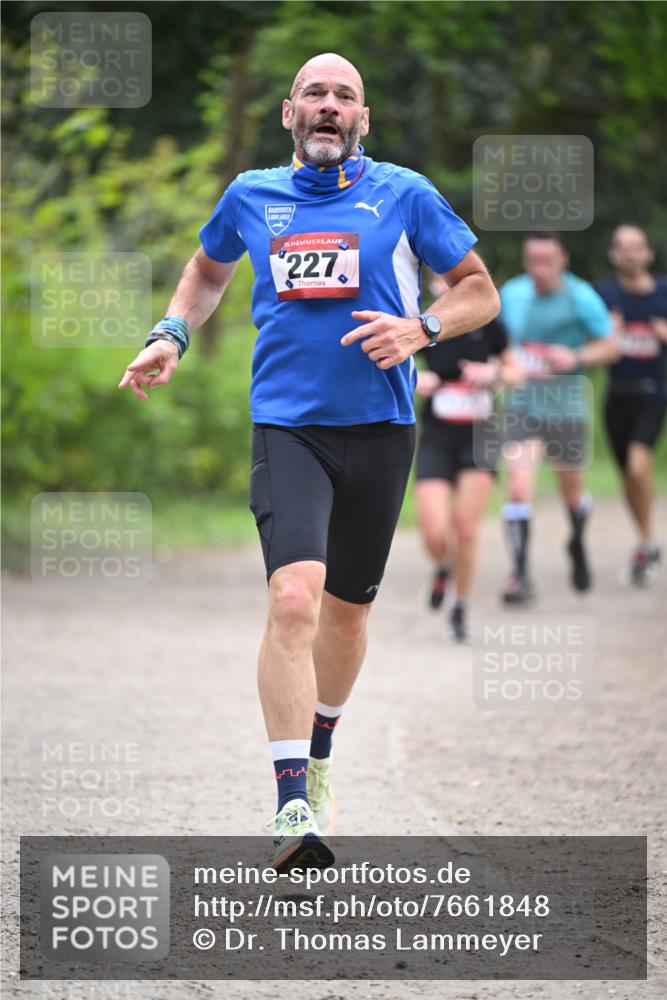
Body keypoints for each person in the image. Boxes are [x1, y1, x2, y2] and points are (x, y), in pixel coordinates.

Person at [118, 53, 499, 869]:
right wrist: (170, 333)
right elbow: (206, 268)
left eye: (345, 97)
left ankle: (320, 744)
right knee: (294, 597)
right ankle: (293, 799)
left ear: (362, 118)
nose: (329, 107)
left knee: (346, 614)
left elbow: (477, 288)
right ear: (289, 113)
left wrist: (421, 329)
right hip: (287, 427)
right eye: (315, 95)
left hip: (383, 427)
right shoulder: (251, 196)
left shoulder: (403, 194)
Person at [498, 234, 617, 603]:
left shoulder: (581, 296)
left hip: (566, 408)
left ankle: (577, 541)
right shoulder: (512, 294)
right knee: (518, 488)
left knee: (572, 494)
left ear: (562, 259)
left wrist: (576, 357)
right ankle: (520, 575)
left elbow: (612, 345)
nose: (540, 269)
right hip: (522, 405)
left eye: (547, 260)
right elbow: (493, 341)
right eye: (533, 260)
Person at [415, 276, 523, 641]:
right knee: (433, 530)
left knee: (465, 526)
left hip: (480, 435)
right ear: (432, 286)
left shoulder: (490, 326)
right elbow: (392, 366)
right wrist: (415, 379)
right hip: (437, 435)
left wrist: (493, 373)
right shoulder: (421, 323)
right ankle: (444, 565)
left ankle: (460, 606)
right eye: (441, 281)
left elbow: (516, 373)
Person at [596, 225, 667, 585]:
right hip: (617, 395)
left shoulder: (664, 293)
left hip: (654, 393)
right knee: (628, 475)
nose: (630, 254)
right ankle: (646, 541)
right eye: (623, 248)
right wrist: (607, 333)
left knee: (639, 467)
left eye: (636, 247)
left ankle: (647, 539)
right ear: (614, 254)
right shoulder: (605, 296)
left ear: (648, 253)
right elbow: (592, 343)